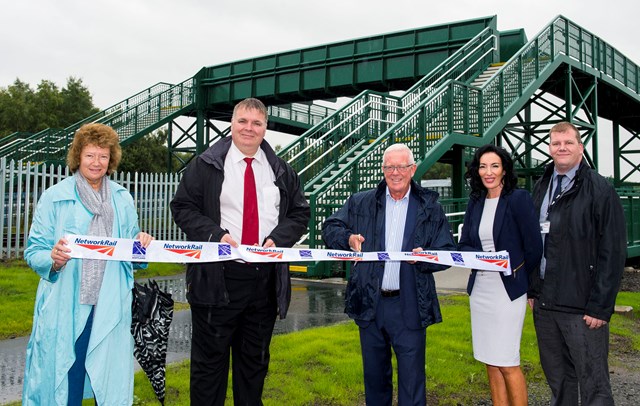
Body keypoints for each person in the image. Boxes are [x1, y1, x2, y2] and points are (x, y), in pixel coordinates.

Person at [170, 97, 310, 405]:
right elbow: (182, 206)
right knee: (209, 369)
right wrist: (215, 234)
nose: (249, 128)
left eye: (257, 123)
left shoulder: (282, 171)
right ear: (232, 124)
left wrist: (277, 238)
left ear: (265, 128)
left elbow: (299, 214)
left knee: (254, 367)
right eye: (243, 121)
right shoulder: (205, 165)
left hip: (263, 282)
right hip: (216, 278)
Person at [22, 123, 154, 405]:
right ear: (78, 157)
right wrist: (53, 260)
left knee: (107, 385)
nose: (97, 163)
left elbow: (133, 256)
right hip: (67, 305)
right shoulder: (55, 197)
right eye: (90, 155)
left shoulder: (122, 198)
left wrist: (140, 244)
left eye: (103, 156)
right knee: (66, 381)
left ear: (111, 159)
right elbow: (34, 251)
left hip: (109, 306)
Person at [322, 143, 456, 406]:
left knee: (412, 383)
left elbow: (448, 250)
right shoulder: (361, 202)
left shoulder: (429, 206)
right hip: (371, 305)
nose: (395, 172)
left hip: (410, 305)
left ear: (412, 169)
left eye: (402, 166)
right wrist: (348, 239)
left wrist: (426, 257)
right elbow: (330, 227)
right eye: (389, 167)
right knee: (375, 382)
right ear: (383, 170)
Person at [528, 121, 627, 405]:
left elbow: (613, 250)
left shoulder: (599, 189)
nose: (562, 148)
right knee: (559, 383)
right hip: (546, 304)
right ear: (549, 148)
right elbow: (535, 241)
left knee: (594, 384)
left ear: (580, 148)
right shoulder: (542, 185)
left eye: (568, 143)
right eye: (556, 143)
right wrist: (534, 289)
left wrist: (601, 305)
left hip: (582, 307)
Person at [458, 144, 542, 406]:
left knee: (507, 362)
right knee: (490, 362)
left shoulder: (518, 199)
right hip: (481, 289)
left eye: (494, 166)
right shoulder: (476, 201)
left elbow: (534, 247)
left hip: (507, 290)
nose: (488, 172)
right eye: (482, 166)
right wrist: (483, 258)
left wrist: (519, 275)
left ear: (504, 169)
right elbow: (465, 243)